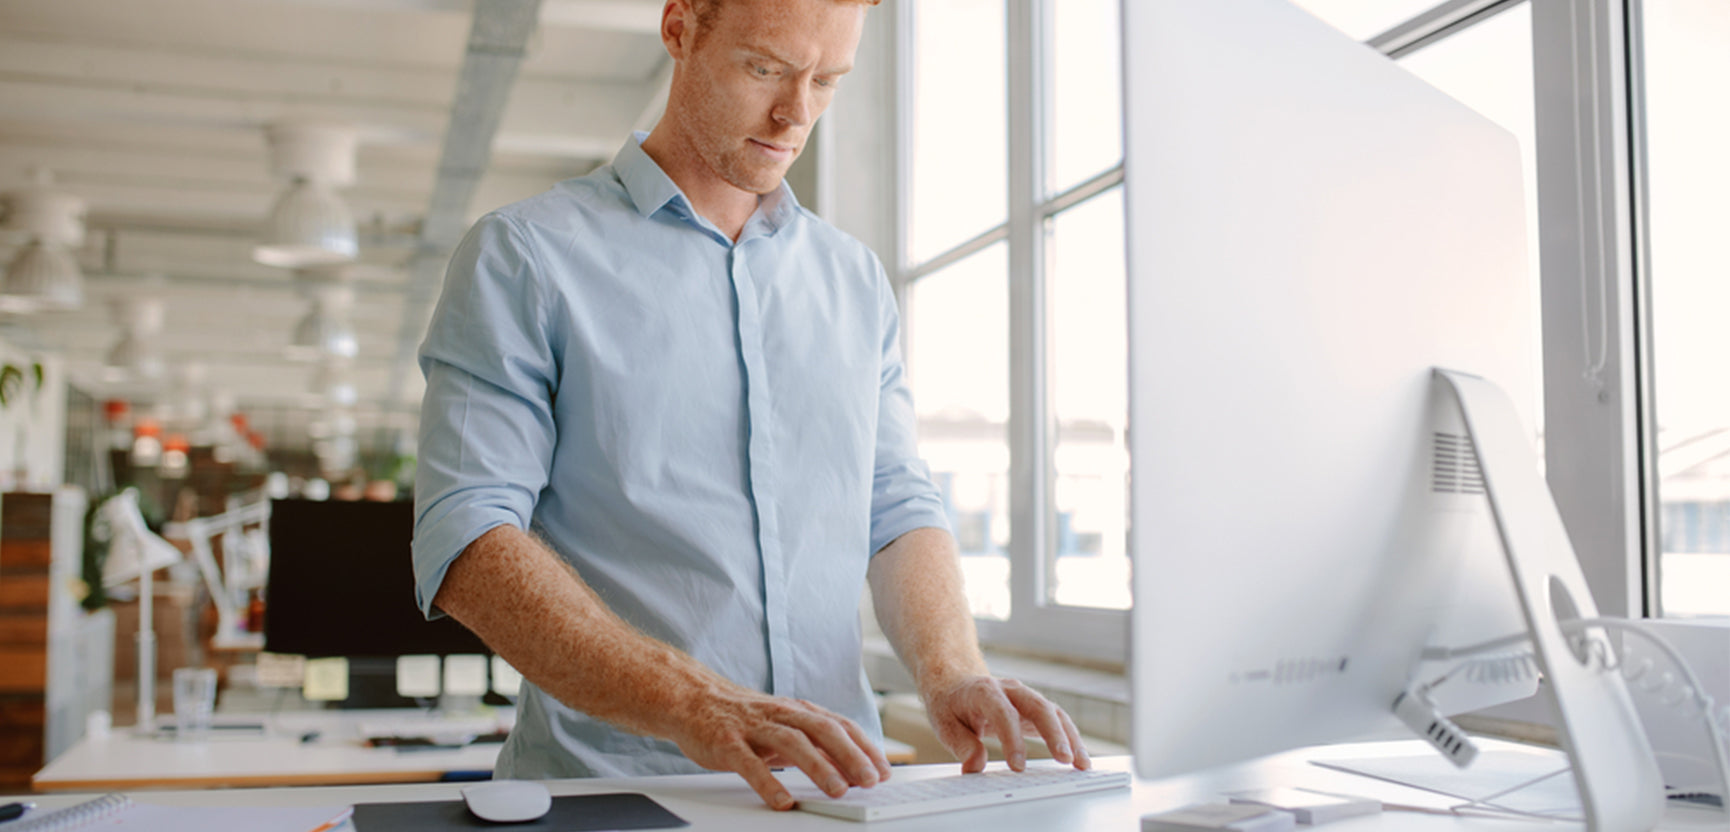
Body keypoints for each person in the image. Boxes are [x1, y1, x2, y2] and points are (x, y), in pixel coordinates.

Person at [411, 0, 1089, 811]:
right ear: (680, 29)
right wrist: (694, 703)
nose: (795, 113)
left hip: (840, 797)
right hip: (613, 797)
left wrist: (952, 673)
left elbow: (896, 504)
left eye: (827, 80)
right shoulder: (526, 256)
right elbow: (468, 537)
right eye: (765, 68)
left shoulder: (854, 281)